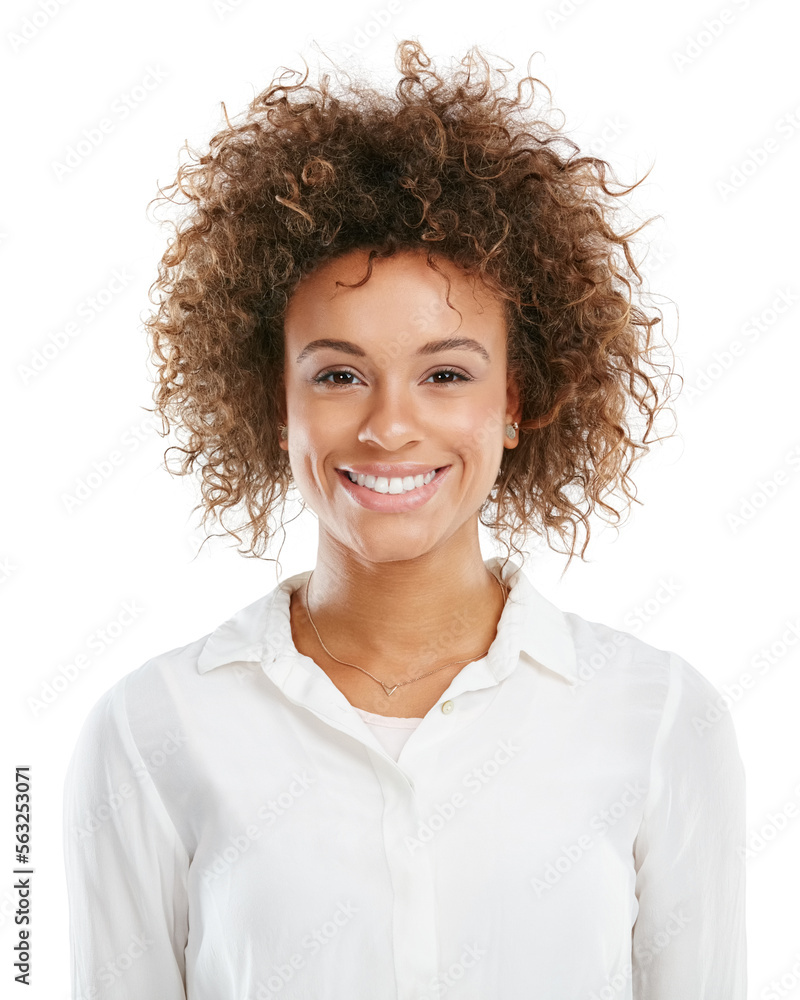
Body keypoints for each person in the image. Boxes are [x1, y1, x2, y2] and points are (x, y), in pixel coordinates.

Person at [62, 39, 746, 999]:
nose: (389, 427)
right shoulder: (151, 731)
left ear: (516, 402)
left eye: (446, 374)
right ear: (275, 400)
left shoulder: (663, 722)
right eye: (339, 375)